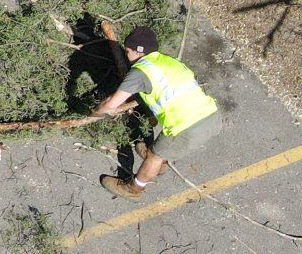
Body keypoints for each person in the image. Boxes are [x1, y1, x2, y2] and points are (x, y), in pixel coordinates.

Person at [91, 27, 220, 199]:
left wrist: (92, 116)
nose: (126, 53)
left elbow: (110, 104)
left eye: (127, 50)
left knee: (154, 156)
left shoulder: (140, 72)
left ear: (137, 51)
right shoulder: (167, 61)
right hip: (211, 115)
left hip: (188, 128)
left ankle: (133, 189)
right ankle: (161, 159)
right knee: (161, 149)